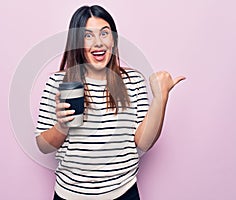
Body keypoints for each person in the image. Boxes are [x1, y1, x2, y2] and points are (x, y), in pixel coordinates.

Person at [35, 5, 185, 200]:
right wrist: (62, 126)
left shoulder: (133, 81)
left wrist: (160, 98)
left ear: (113, 39)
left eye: (104, 33)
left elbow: (144, 143)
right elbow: (43, 146)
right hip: (69, 195)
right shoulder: (58, 84)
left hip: (124, 193)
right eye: (88, 35)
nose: (98, 43)